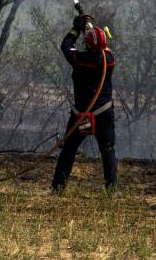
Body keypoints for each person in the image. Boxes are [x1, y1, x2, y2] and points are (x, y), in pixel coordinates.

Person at [51, 13, 117, 192]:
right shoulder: (109, 60)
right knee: (108, 151)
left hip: (82, 115)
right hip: (104, 114)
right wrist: (90, 29)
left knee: (69, 151)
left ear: (88, 45)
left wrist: (77, 29)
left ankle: (58, 188)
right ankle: (111, 190)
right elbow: (103, 47)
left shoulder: (80, 60)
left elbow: (66, 46)